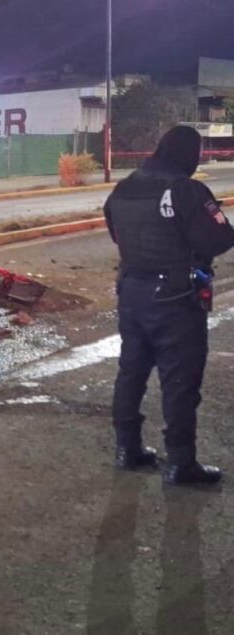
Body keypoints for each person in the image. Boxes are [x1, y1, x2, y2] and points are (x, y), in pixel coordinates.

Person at [104, 125, 234, 485]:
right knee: (180, 382)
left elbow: (115, 230)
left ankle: (127, 449)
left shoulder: (126, 185)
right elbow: (221, 238)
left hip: (131, 293)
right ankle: (181, 464)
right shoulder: (186, 189)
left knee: (131, 373)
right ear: (189, 154)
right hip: (176, 299)